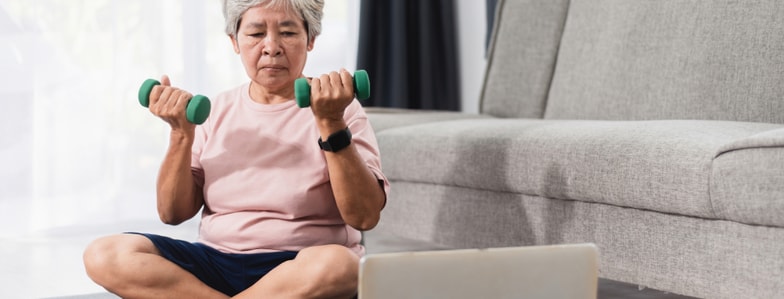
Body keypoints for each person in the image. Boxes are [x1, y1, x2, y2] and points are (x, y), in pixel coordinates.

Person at [83, 0, 388, 298]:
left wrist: (330, 122)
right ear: (234, 41)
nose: (271, 47)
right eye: (256, 34)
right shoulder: (216, 111)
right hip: (215, 261)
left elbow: (364, 217)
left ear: (310, 39)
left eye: (288, 32)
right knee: (104, 254)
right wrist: (180, 133)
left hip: (298, 264)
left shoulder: (342, 110)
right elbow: (173, 213)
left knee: (341, 266)